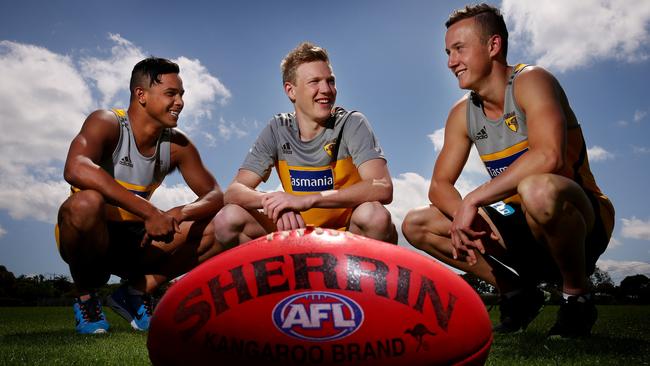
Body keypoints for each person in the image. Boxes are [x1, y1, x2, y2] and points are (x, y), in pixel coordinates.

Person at [402, 4, 614, 338]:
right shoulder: (462, 114)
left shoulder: (532, 80)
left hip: (579, 221)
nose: (450, 62)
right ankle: (517, 292)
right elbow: (439, 186)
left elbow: (549, 157)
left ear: (493, 46)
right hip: (517, 223)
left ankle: (577, 297)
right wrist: (464, 215)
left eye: (459, 49)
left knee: (538, 189)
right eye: (447, 52)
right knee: (418, 223)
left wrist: (472, 199)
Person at [56, 57, 225, 334]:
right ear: (141, 95)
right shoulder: (107, 122)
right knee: (86, 202)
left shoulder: (177, 144)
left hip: (137, 242)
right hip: (91, 241)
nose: (180, 102)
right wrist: (149, 211)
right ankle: (86, 298)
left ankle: (135, 294)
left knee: (225, 222)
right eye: (171, 93)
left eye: (182, 94)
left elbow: (215, 195)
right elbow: (75, 167)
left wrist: (179, 213)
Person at [213, 41, 397, 246]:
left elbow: (382, 186)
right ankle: (273, 277)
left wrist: (310, 198)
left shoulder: (352, 122)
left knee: (375, 216)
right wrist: (277, 202)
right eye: (315, 82)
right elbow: (234, 191)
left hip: (346, 233)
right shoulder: (277, 128)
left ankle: (358, 276)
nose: (326, 89)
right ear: (291, 91)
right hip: (295, 230)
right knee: (227, 219)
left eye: (330, 81)